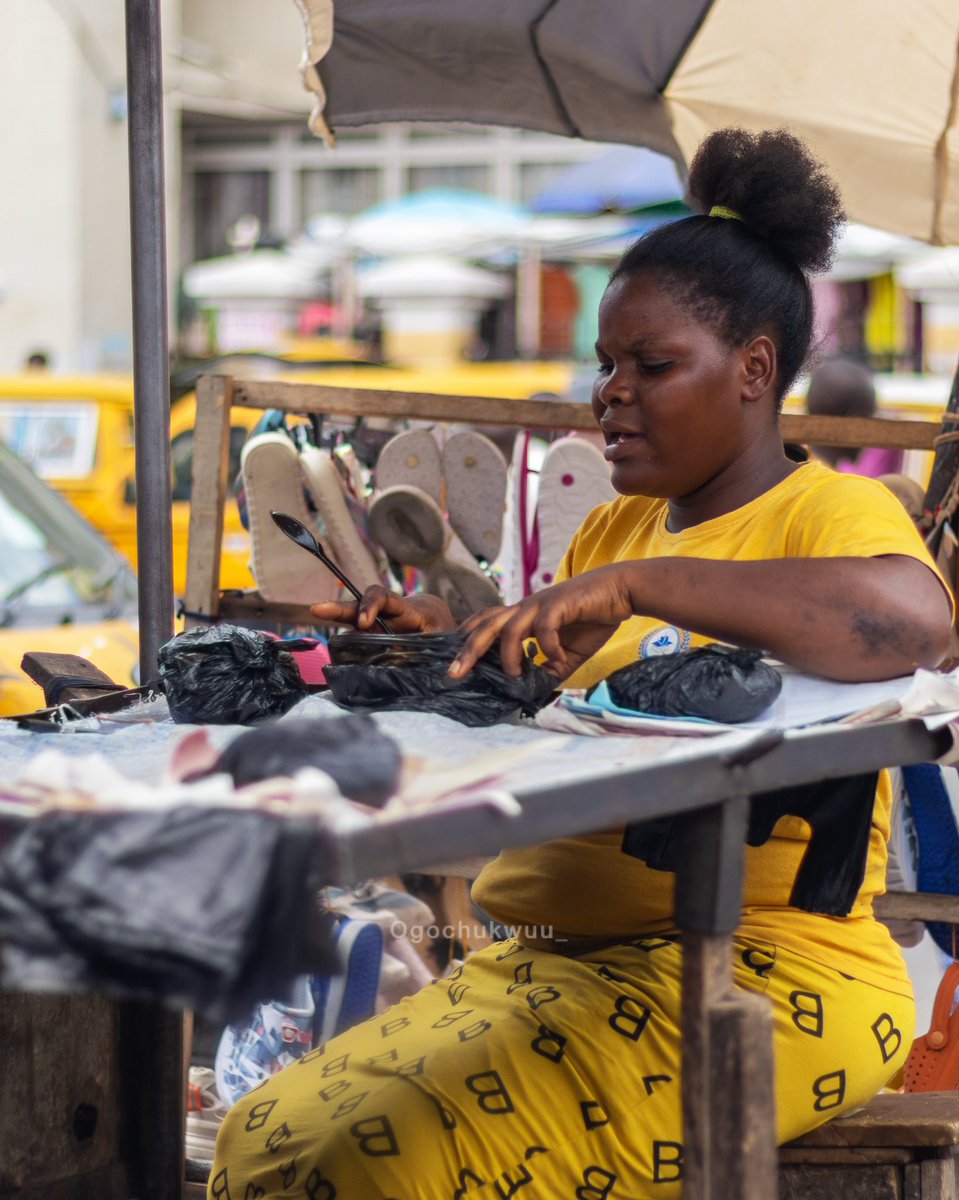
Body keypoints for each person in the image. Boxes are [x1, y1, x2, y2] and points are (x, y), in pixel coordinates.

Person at [210, 129, 953, 1200]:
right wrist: (426, 639)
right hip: (548, 964)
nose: (610, 392)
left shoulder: (824, 510)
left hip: (761, 972)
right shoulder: (614, 534)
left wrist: (642, 589)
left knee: (373, 1167)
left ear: (753, 370)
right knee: (259, 1134)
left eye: (650, 366)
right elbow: (537, 688)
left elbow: (910, 621)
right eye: (606, 364)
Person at [805, 357, 904, 476]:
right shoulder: (840, 485)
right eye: (871, 417)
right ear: (854, 420)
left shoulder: (797, 467)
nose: (873, 429)